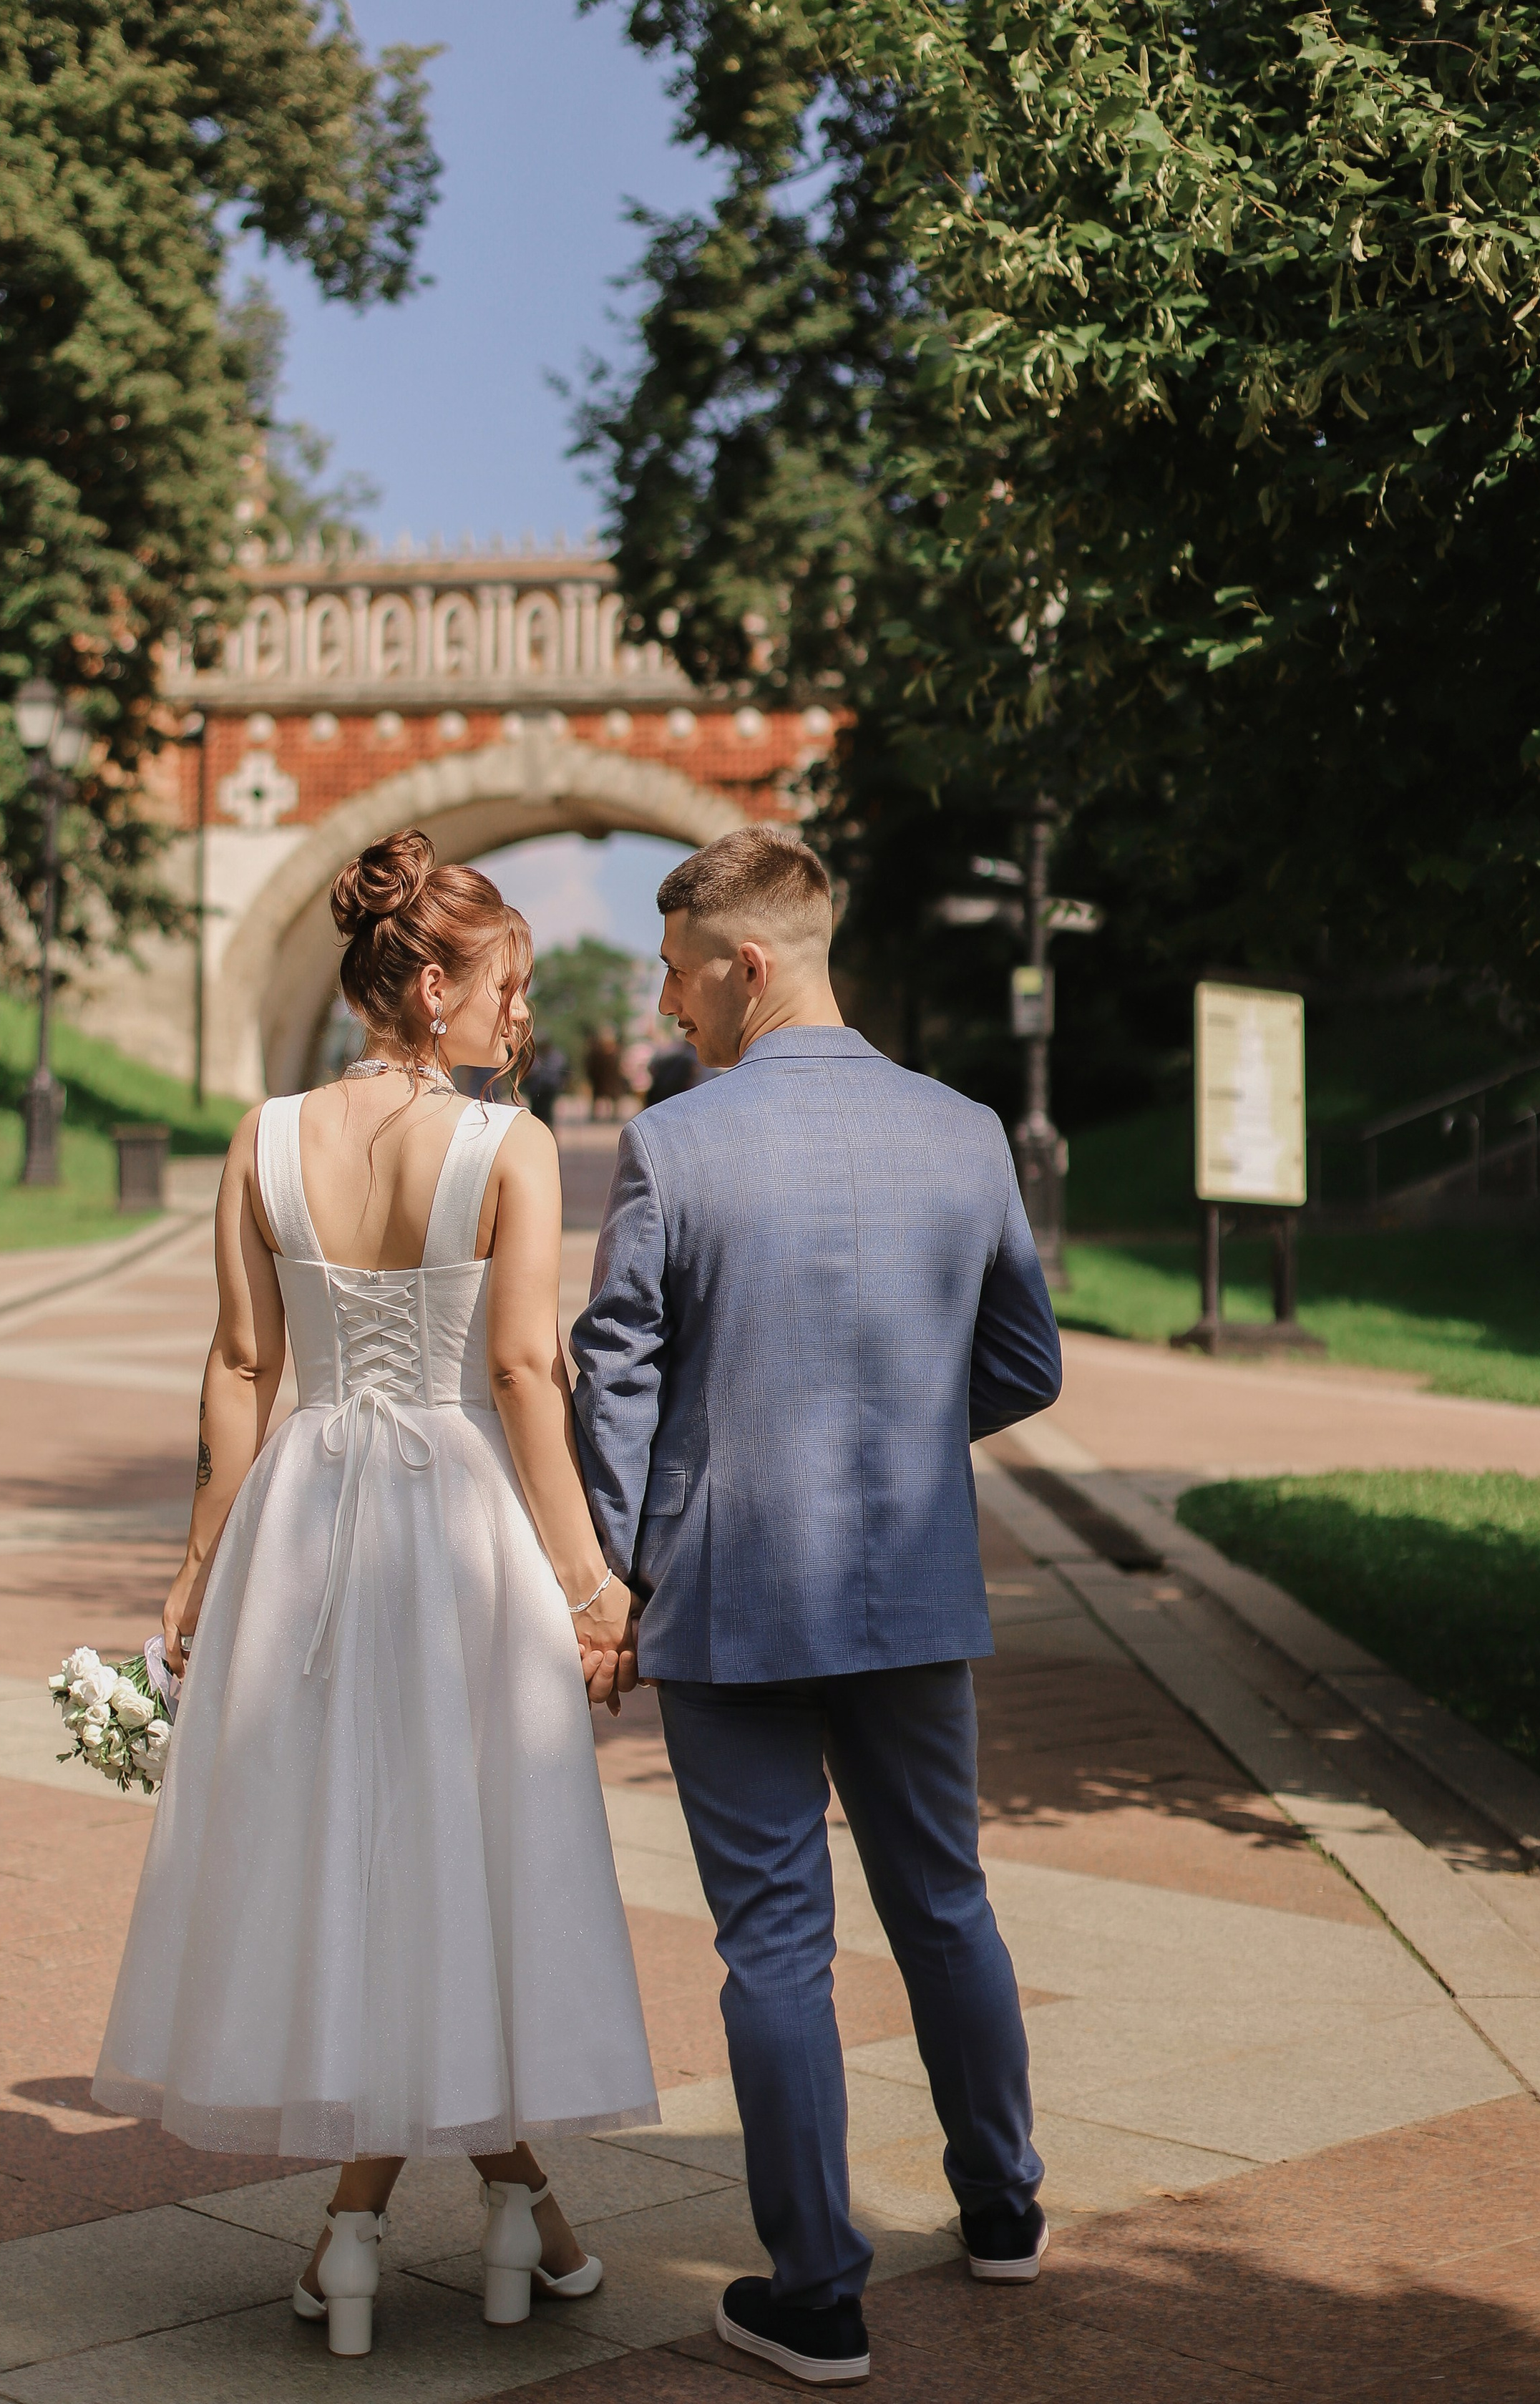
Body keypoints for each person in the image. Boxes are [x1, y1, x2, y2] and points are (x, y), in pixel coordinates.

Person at [94, 829, 656, 2359]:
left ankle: (410, 2225)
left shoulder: (262, 1137)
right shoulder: (507, 1146)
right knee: (461, 1848)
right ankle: (479, 2219)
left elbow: (239, 1366)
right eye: (505, 985)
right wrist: (587, 1582)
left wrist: (199, 1564)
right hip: (459, 1520)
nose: (521, 1014)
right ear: (427, 983)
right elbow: (524, 1371)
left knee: (347, 1848)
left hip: (306, 1518)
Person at [570, 824, 1063, 2388]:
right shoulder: (966, 1132)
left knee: (775, 1942)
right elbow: (1026, 1360)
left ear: (747, 963)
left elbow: (614, 1370)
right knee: (945, 1902)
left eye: (677, 974)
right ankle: (1002, 2208)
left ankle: (817, 2294)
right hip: (910, 1582)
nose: (667, 1004)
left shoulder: (676, 1145)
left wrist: (616, 1567)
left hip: (729, 1593)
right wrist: (906, 1440)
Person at [585, 1023, 624, 1119]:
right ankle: (595, 1114)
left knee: (614, 1097)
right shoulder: (597, 1053)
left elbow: (620, 1065)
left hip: (613, 1080)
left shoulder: (616, 1052)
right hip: (600, 1079)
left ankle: (614, 1115)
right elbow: (591, 1065)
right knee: (597, 1096)